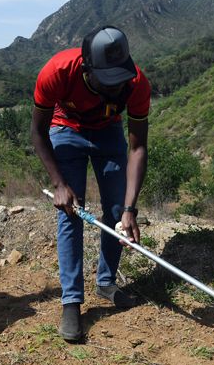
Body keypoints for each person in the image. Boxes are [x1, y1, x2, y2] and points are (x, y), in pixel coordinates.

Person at [31, 26, 150, 342]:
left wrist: (129, 209)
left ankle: (106, 282)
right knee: (71, 211)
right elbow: (37, 133)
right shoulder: (57, 71)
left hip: (108, 133)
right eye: (107, 81)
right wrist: (58, 184)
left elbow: (138, 147)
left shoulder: (136, 83)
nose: (115, 88)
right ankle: (72, 301)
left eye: (118, 80)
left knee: (115, 208)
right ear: (87, 68)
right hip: (64, 131)